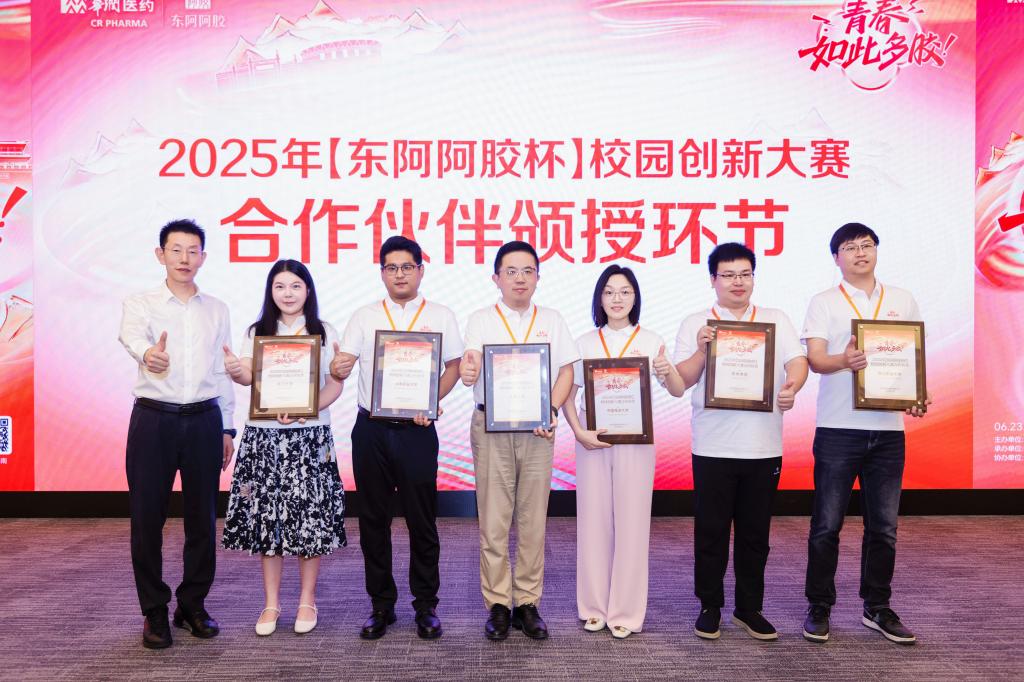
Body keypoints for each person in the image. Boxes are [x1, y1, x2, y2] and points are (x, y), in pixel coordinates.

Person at [800, 223, 931, 645]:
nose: (860, 253)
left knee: (884, 528)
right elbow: (816, 360)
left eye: (867, 245)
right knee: (826, 525)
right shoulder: (824, 302)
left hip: (888, 432)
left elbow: (911, 358)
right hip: (838, 429)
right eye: (850, 247)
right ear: (835, 257)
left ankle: (877, 606)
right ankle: (819, 605)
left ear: (876, 250)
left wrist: (916, 395)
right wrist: (844, 360)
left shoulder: (902, 299)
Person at [673, 242, 808, 641]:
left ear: (753, 278)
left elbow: (797, 362)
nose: (738, 282)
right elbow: (682, 380)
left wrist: (792, 387)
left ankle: (749, 609)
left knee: (755, 535)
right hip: (712, 445)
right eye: (728, 275)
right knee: (711, 532)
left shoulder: (774, 319)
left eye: (745, 274)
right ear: (713, 280)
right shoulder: (696, 322)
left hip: (763, 446)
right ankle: (710, 605)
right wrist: (702, 350)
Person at [331, 236, 464, 640]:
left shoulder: (440, 315)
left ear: (421, 270)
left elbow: (455, 366)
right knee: (373, 520)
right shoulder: (364, 316)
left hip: (417, 431)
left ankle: (426, 605)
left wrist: (431, 402)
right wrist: (338, 367)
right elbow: (343, 364)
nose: (400, 274)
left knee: (422, 519)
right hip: (371, 429)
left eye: (407, 267)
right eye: (392, 267)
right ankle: (381, 604)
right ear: (382, 273)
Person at [118, 219, 236, 649]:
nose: (185, 258)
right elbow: (130, 336)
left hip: (204, 420)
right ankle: (154, 610)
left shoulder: (217, 309)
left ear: (203, 257)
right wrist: (147, 354)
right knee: (147, 518)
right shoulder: (141, 303)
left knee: (202, 519)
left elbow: (222, 371)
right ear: (160, 254)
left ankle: (192, 605)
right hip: (154, 420)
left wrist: (227, 426)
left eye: (193, 251)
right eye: (176, 250)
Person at [460, 240, 578, 641]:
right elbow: (471, 364)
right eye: (511, 271)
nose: (520, 278)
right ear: (496, 278)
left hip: (537, 431)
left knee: (532, 520)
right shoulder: (481, 319)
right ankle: (497, 603)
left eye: (528, 271)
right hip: (491, 429)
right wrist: (469, 372)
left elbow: (566, 372)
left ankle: (527, 602)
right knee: (493, 520)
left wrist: (552, 410)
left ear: (538, 278)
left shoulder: (553, 319)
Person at [221, 259, 346, 636]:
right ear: (270, 291)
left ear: (308, 290)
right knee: (267, 520)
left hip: (309, 437)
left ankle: (307, 599)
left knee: (310, 520)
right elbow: (247, 376)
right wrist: (236, 370)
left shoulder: (323, 331)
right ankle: (271, 603)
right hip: (264, 437)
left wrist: (307, 408)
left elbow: (334, 384)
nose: (287, 293)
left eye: (295, 286)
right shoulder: (257, 331)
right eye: (280, 286)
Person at [562, 265, 685, 639]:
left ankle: (626, 612)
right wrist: (578, 431)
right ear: (599, 298)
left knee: (633, 523)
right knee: (593, 521)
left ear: (636, 297)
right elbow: (567, 394)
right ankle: (594, 607)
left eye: (625, 291)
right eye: (609, 292)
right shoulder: (583, 342)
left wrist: (666, 369)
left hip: (637, 440)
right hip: (593, 439)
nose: (617, 299)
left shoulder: (650, 340)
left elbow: (677, 389)